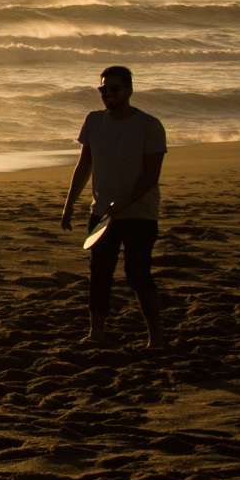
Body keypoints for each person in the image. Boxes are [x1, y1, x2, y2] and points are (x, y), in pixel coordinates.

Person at [62, 65, 167, 348]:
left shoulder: (149, 125)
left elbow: (150, 176)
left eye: (114, 89)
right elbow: (84, 165)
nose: (107, 94)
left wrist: (125, 202)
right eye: (103, 89)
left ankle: (155, 336)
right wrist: (69, 203)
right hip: (101, 213)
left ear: (129, 90)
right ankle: (96, 332)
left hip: (139, 214)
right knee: (99, 273)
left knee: (137, 274)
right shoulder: (94, 121)